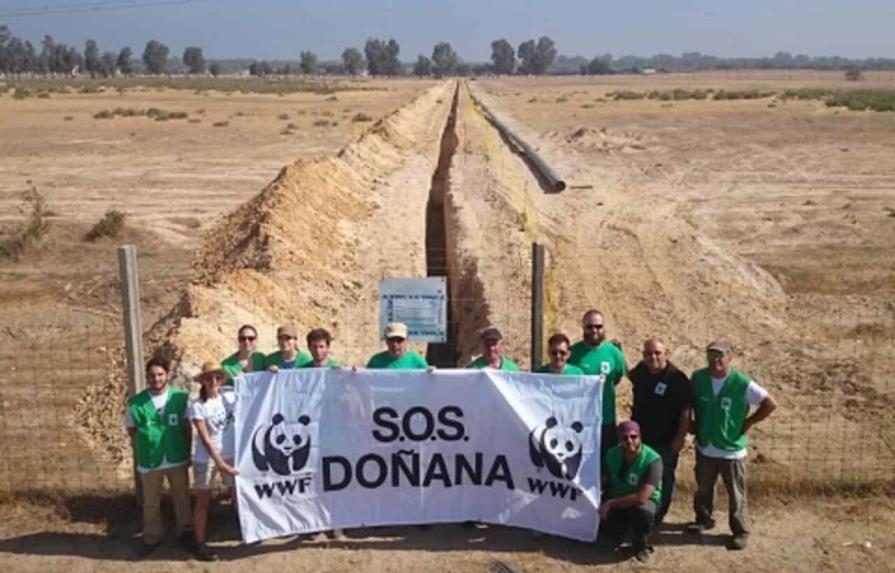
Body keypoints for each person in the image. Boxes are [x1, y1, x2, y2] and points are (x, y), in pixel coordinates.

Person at [688, 340, 778, 550]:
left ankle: (740, 530)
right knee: (703, 487)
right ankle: (704, 519)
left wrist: (749, 421)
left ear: (730, 357)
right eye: (711, 355)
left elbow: (770, 403)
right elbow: (688, 402)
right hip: (705, 445)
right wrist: (691, 422)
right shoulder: (698, 378)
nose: (715, 360)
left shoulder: (741, 382)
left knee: (736, 493)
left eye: (720, 355)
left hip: (731, 450)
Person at [124, 357, 193, 557]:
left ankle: (185, 532)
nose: (156, 378)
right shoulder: (136, 403)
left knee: (181, 497)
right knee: (151, 501)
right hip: (150, 459)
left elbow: (186, 427)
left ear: (167, 375)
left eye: (160, 374)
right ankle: (151, 537)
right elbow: (132, 430)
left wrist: (187, 453)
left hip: (176, 456)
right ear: (147, 377)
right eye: (152, 375)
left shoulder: (180, 398)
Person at [628, 337, 693, 527]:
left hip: (666, 441)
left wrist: (680, 438)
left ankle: (657, 519)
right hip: (641, 441)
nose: (653, 357)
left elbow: (686, 411)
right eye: (648, 353)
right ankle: (641, 516)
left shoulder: (676, 379)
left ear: (666, 354)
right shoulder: (642, 370)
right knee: (642, 478)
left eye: (657, 353)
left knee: (664, 480)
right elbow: (629, 375)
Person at [190, 362, 238, 561]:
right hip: (208, 459)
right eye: (208, 378)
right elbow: (205, 438)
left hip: (230, 454)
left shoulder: (229, 397)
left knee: (237, 494)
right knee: (203, 500)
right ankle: (200, 543)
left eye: (217, 378)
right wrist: (220, 463)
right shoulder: (197, 406)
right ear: (202, 381)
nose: (213, 382)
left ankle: (244, 528)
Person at [599, 421, 662, 562]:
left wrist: (610, 503)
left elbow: (642, 497)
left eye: (633, 437)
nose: (629, 441)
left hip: (643, 502)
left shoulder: (653, 460)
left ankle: (641, 545)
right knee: (607, 531)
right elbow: (603, 480)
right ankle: (622, 530)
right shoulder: (611, 454)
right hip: (618, 498)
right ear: (619, 440)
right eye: (624, 438)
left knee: (643, 513)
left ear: (640, 437)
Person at [568, 310, 627, 457]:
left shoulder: (614, 353)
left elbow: (617, 377)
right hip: (580, 420)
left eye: (598, 326)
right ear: (583, 328)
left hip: (605, 419)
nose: (594, 330)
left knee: (606, 466)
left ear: (603, 327)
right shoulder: (573, 353)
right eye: (590, 327)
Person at [366, 322, 430, 370]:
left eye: (400, 340)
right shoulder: (375, 361)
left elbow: (429, 381)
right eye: (391, 339)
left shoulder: (417, 361)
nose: (395, 344)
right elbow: (365, 381)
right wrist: (356, 374)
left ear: (407, 340)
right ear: (386, 340)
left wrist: (433, 373)